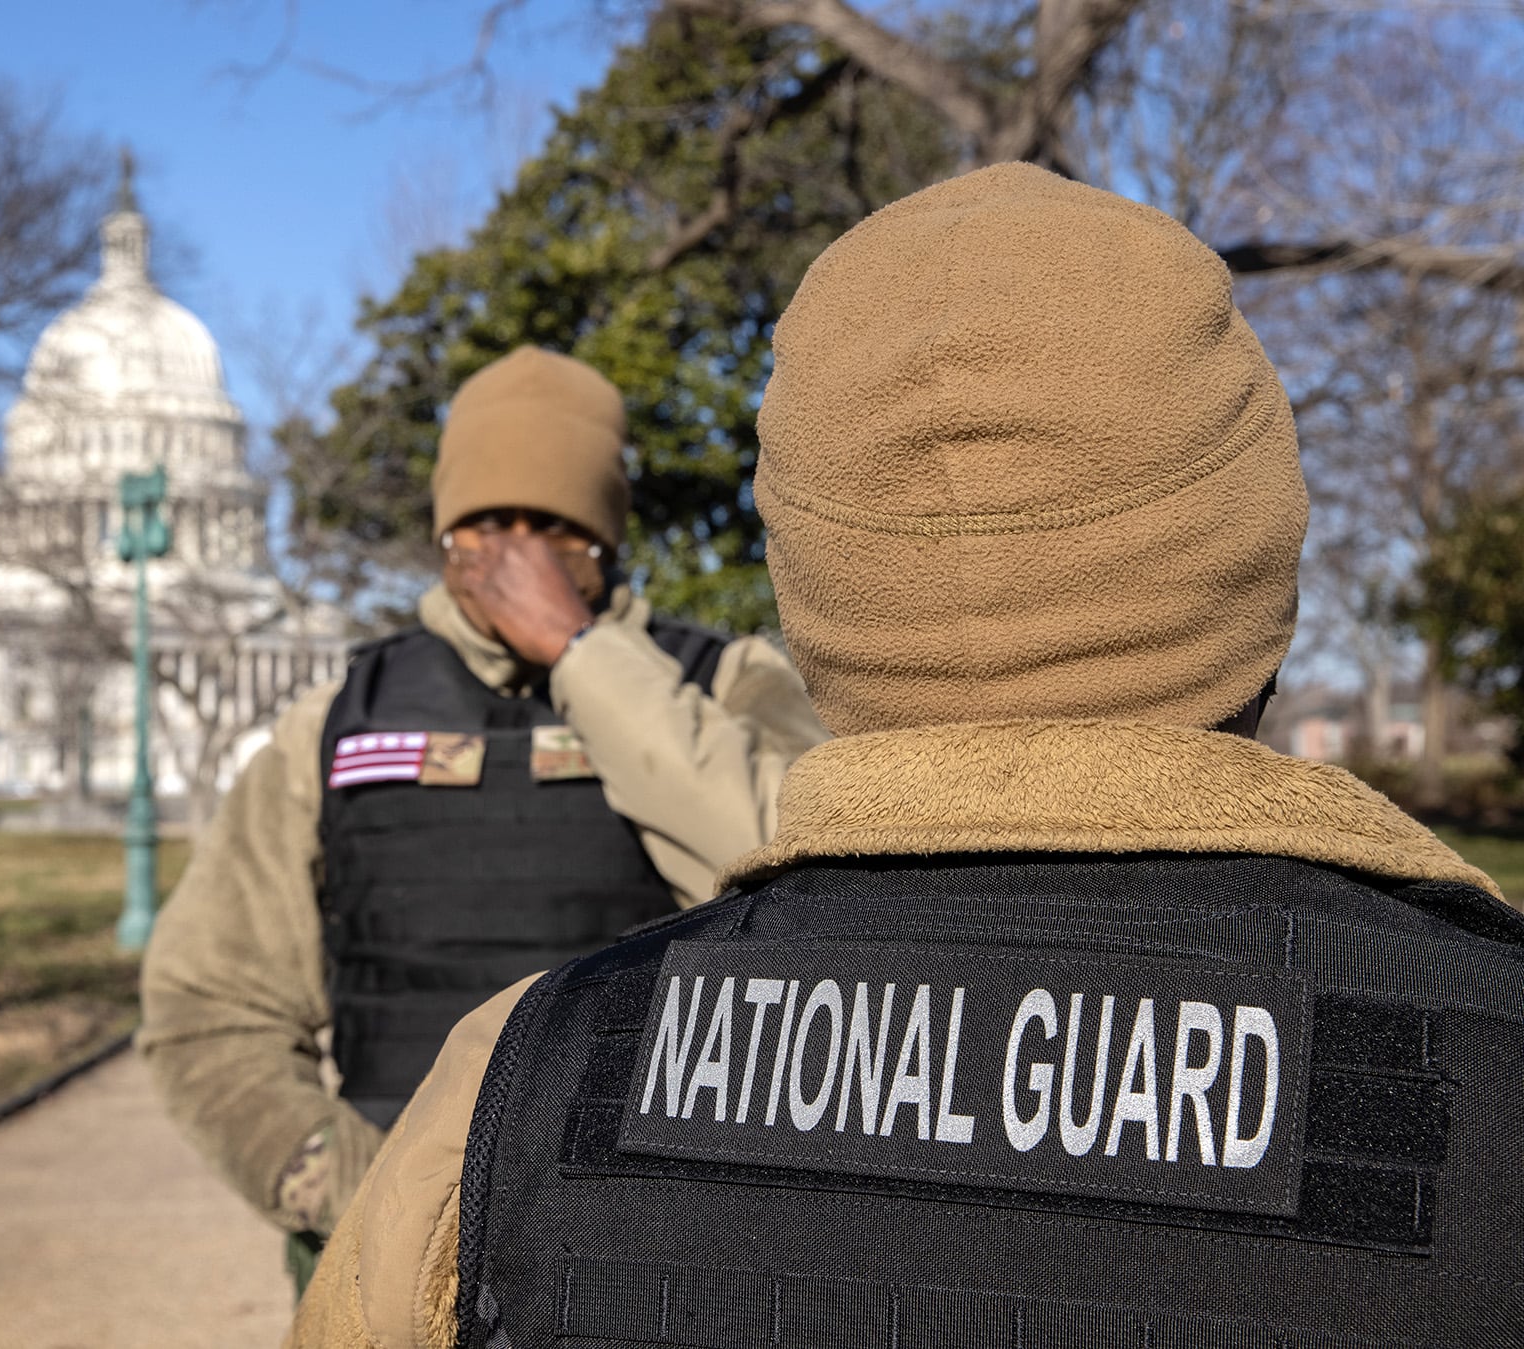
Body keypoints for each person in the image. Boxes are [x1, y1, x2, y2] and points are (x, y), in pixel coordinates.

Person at [288, 164, 1524, 1348]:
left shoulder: (511, 1083)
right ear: (1255, 561)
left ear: (815, 580)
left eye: (558, 526)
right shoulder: (1481, 1054)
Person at [137, 345, 826, 1287]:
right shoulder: (339, 721)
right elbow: (207, 1001)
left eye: (552, 527)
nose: (514, 555)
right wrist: (355, 1193)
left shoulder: (729, 681)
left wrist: (583, 655)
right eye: (484, 525)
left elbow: (797, 882)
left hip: (649, 1257)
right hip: (388, 1263)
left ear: (605, 538)